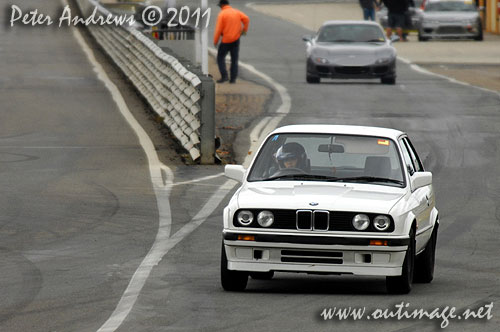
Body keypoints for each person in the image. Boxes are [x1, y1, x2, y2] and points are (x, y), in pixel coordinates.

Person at [213, 0, 250, 84]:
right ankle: (233, 79)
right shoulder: (236, 12)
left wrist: (215, 41)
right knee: (234, 59)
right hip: (236, 40)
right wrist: (244, 31)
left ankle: (224, 76)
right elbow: (246, 19)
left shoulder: (222, 14)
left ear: (221, 5)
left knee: (220, 58)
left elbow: (218, 30)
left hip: (226, 40)